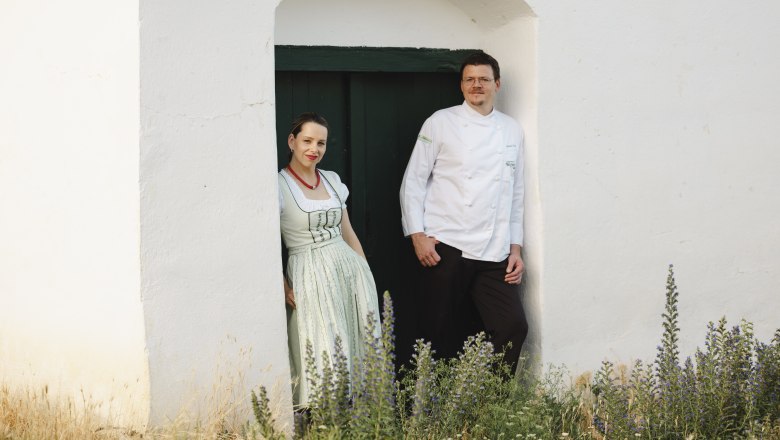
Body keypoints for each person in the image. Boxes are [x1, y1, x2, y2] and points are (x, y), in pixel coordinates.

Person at [399, 51, 528, 372]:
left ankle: (489, 403)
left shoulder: (512, 129)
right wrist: (418, 236)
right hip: (446, 247)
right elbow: (412, 182)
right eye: (469, 79)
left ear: (497, 84)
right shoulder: (440, 122)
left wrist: (515, 248)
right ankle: (422, 411)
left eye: (483, 79)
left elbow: (516, 195)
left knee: (512, 327)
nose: (476, 85)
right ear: (461, 85)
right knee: (433, 334)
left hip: (495, 253)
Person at [279, 112, 380, 407]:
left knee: (358, 342)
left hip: (348, 269)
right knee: (324, 343)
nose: (314, 149)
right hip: (309, 269)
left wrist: (365, 272)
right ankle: (322, 418)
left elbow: (347, 231)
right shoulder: (278, 185)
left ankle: (356, 416)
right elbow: (271, 243)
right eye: (307, 140)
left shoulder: (333, 180)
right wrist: (282, 283)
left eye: (321, 143)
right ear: (292, 141)